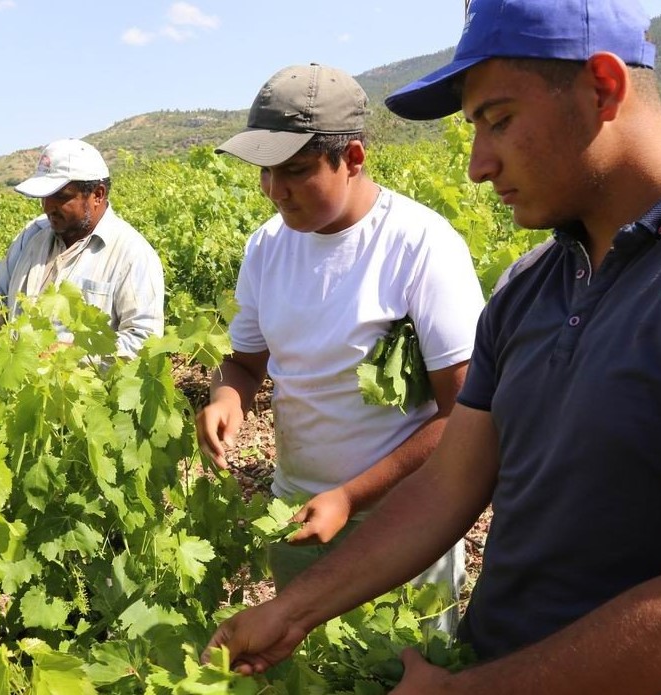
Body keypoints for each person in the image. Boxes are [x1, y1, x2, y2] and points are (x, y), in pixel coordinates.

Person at [205, 1, 661, 692]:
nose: (478, 166)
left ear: (602, 87)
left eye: (498, 119)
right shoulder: (527, 288)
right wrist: (293, 610)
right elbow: (448, 484)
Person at [195, 63, 486, 630]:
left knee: (400, 672)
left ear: (352, 159)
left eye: (296, 171)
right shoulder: (266, 247)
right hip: (297, 515)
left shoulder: (420, 245)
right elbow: (244, 363)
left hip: (403, 525)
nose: (275, 192)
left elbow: (466, 416)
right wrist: (226, 397)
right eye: (265, 172)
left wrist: (351, 496)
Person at [0, 138, 164, 360]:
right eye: (44, 196)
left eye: (61, 196)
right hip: (24, 395)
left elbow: (144, 341)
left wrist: (77, 356)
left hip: (82, 400)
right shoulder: (33, 234)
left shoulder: (132, 254)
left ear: (97, 195)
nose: (48, 206)